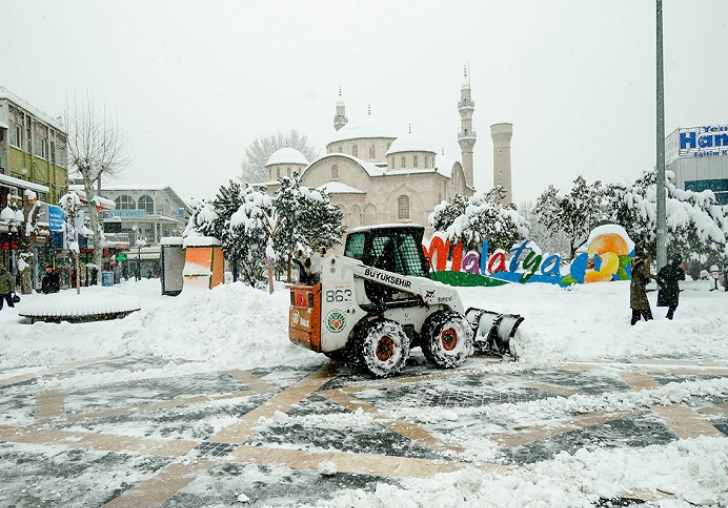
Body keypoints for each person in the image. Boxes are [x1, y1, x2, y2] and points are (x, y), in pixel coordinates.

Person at [630, 250, 655, 325]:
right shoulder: (640, 265)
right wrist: (657, 277)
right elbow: (646, 274)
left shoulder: (634, 263)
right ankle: (650, 322)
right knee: (644, 307)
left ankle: (635, 324)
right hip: (638, 289)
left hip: (635, 288)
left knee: (636, 307)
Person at [657, 255, 686, 320]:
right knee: (674, 304)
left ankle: (668, 317)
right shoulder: (677, 269)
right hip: (674, 289)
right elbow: (683, 277)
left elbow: (658, 278)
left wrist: (663, 285)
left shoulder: (665, 268)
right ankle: (668, 318)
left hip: (667, 288)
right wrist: (676, 276)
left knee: (672, 304)